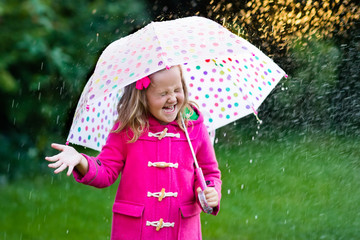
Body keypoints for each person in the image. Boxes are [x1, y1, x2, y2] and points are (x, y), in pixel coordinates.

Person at [45, 65, 222, 240]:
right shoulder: (126, 129)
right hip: (135, 230)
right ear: (143, 96)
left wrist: (209, 191)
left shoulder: (194, 127)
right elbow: (106, 171)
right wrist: (81, 160)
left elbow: (209, 172)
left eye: (177, 89)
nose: (172, 99)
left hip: (180, 230)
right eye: (163, 94)